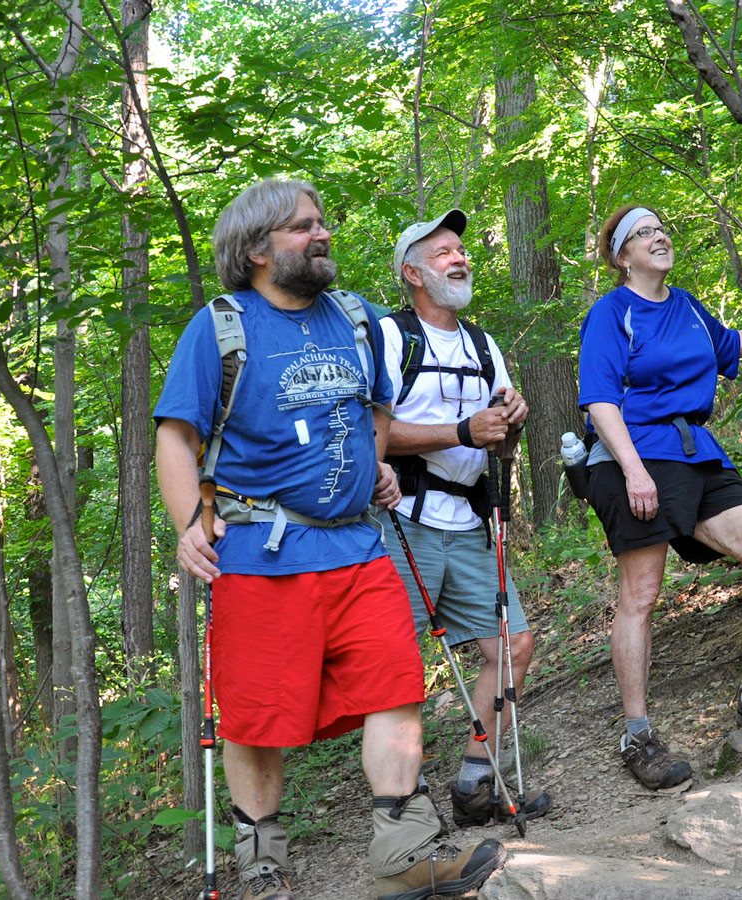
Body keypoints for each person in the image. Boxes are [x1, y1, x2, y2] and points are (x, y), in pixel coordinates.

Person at [154, 179, 504, 900]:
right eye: (301, 227)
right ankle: (262, 865)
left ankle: (403, 854)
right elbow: (177, 435)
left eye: (322, 222)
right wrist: (191, 523)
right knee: (256, 718)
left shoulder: (354, 318)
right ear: (256, 250)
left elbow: (376, 405)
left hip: (361, 547)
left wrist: (374, 460)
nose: (322, 235)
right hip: (259, 556)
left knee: (397, 688)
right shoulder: (221, 326)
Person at [577, 203, 742, 791]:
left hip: (695, 453)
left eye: (662, 229)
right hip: (632, 456)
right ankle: (637, 734)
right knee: (642, 594)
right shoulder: (611, 313)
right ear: (621, 255)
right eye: (644, 233)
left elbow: (727, 344)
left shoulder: (684, 305)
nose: (659, 237)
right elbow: (601, 401)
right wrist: (633, 472)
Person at [379, 208, 552, 826]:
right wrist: (460, 429)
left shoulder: (482, 344)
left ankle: (477, 783)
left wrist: (511, 420)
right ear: (414, 273)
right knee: (397, 667)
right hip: (402, 522)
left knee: (513, 646)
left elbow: (495, 436)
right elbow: (370, 432)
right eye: (444, 251)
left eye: (461, 248)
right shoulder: (389, 338)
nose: (461, 257)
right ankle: (402, 806)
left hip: (471, 525)